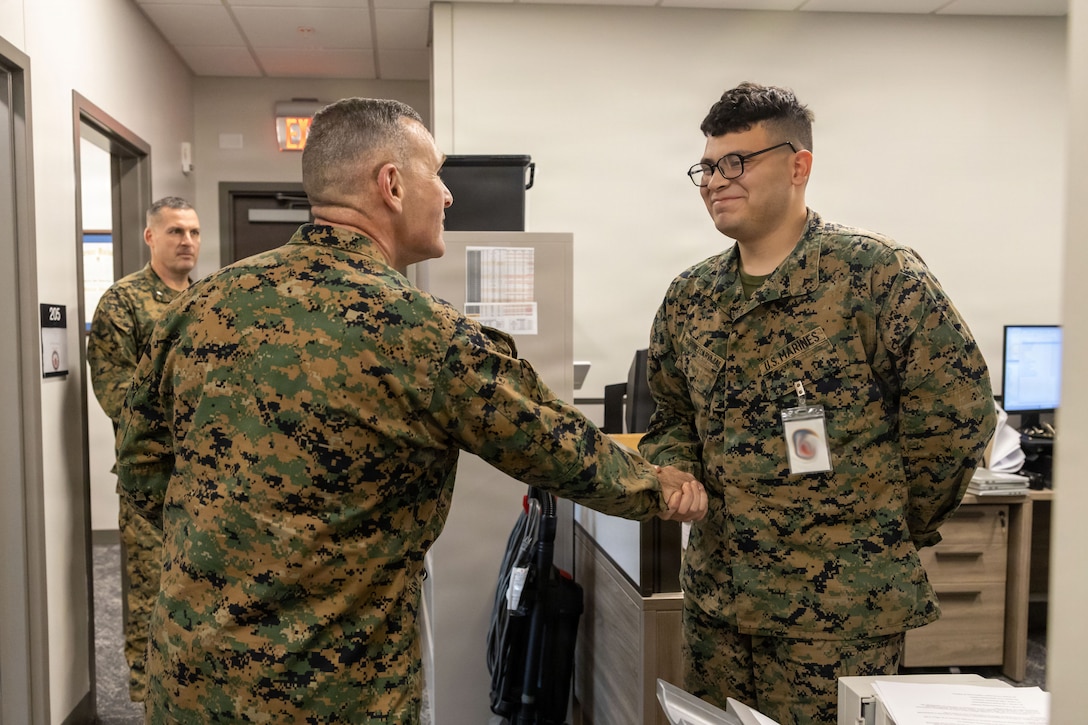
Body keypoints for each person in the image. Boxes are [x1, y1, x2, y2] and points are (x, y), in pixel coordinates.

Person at [115, 97, 707, 722]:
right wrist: (660, 488)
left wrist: (226, 552)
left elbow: (140, 465)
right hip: (333, 690)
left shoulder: (198, 306)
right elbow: (558, 448)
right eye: (437, 174)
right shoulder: (424, 335)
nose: (448, 195)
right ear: (392, 185)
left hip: (189, 676)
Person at [637, 82, 997, 725]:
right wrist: (678, 468)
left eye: (737, 162)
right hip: (719, 609)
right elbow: (670, 416)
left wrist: (887, 524)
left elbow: (957, 413)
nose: (718, 181)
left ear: (798, 165)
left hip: (838, 616)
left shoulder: (875, 275)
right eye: (709, 167)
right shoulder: (690, 296)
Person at [87, 195, 201, 702]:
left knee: (199, 582)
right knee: (151, 583)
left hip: (206, 471)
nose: (188, 242)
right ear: (151, 236)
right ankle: (145, 688)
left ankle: (193, 685)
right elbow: (113, 389)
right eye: (176, 231)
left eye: (194, 232)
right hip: (151, 474)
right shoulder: (123, 301)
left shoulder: (207, 299)